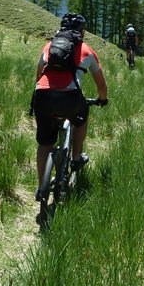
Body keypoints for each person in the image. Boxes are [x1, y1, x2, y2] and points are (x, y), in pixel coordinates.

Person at [32, 13, 108, 197]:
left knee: (45, 143)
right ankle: (75, 159)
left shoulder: (49, 46)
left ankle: (42, 187)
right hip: (70, 98)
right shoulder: (87, 50)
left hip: (42, 95)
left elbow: (38, 74)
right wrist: (102, 99)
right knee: (81, 117)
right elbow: (101, 84)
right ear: (82, 32)